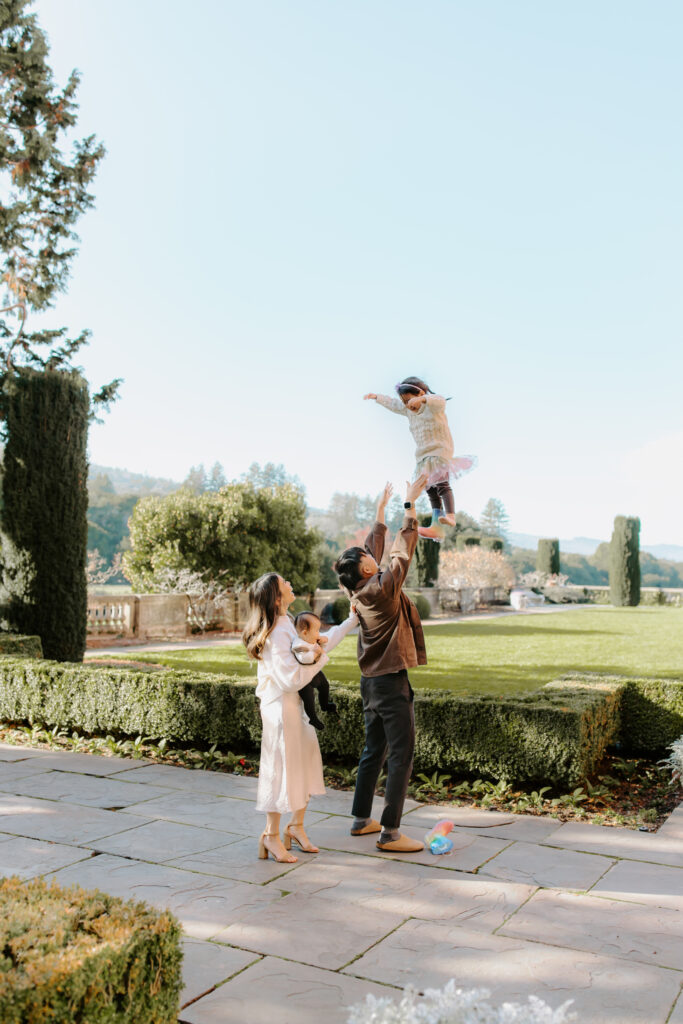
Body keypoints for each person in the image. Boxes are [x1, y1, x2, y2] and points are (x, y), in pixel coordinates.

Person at [334, 475, 428, 853]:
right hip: (390, 683)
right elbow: (401, 553)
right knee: (402, 752)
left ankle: (361, 820)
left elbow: (369, 553)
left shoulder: (357, 590)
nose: (374, 556)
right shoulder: (384, 589)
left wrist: (378, 513)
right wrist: (409, 505)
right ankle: (390, 832)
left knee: (374, 750)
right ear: (369, 570)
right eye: (370, 559)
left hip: (370, 683)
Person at [242, 572, 357, 863]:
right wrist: (318, 657)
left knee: (304, 764)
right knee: (280, 769)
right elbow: (290, 679)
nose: (291, 584)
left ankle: (295, 827)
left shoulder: (287, 623)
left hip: (295, 707)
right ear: (277, 597)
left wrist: (350, 621)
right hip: (281, 708)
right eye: (285, 584)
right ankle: (270, 836)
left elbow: (316, 643)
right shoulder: (276, 632)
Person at [364, 376, 476, 541]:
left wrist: (423, 399)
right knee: (429, 488)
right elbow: (393, 404)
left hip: (440, 450)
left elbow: (439, 400)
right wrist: (377, 397)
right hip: (423, 456)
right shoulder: (408, 410)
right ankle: (436, 527)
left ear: (421, 393)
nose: (409, 405)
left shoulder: (432, 406)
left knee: (442, 484)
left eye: (410, 400)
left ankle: (450, 515)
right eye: (405, 402)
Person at [292, 611, 344, 730]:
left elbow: (320, 646)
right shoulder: (298, 645)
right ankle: (313, 718)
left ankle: (325, 705)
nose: (318, 633)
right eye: (316, 631)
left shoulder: (310, 639)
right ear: (305, 632)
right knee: (309, 699)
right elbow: (304, 659)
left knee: (324, 686)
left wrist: (323, 642)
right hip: (304, 678)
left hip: (315, 673)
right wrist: (316, 652)